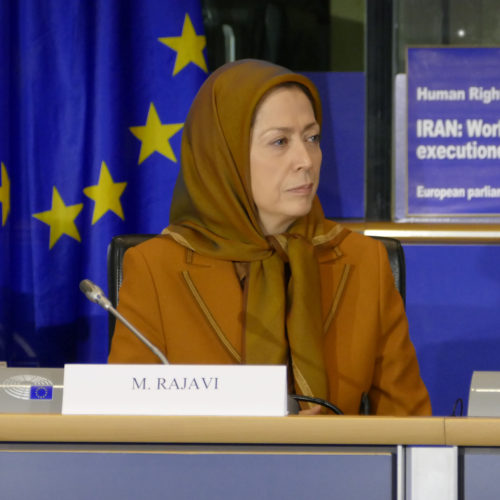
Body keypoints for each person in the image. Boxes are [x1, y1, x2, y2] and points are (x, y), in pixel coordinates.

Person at [108, 59, 431, 416]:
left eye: (312, 138)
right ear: (224, 156)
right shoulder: (155, 269)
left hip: (336, 469)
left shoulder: (362, 261)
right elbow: (126, 427)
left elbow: (410, 423)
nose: (305, 159)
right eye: (280, 141)